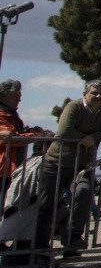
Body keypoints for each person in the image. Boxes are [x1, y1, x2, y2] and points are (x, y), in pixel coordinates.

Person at [35, 79, 101, 260]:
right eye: (94, 93)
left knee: (83, 192)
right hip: (57, 163)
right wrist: (86, 138)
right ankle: (40, 249)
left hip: (82, 166)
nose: (98, 96)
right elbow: (64, 131)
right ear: (85, 94)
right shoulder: (74, 107)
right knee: (47, 205)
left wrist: (95, 137)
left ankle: (72, 239)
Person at [0, 79, 52, 210]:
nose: (19, 101)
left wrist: (28, 132)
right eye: (16, 97)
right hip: (3, 166)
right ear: (5, 95)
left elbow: (13, 135)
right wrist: (34, 136)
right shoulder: (2, 113)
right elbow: (9, 137)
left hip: (10, 165)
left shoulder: (10, 113)